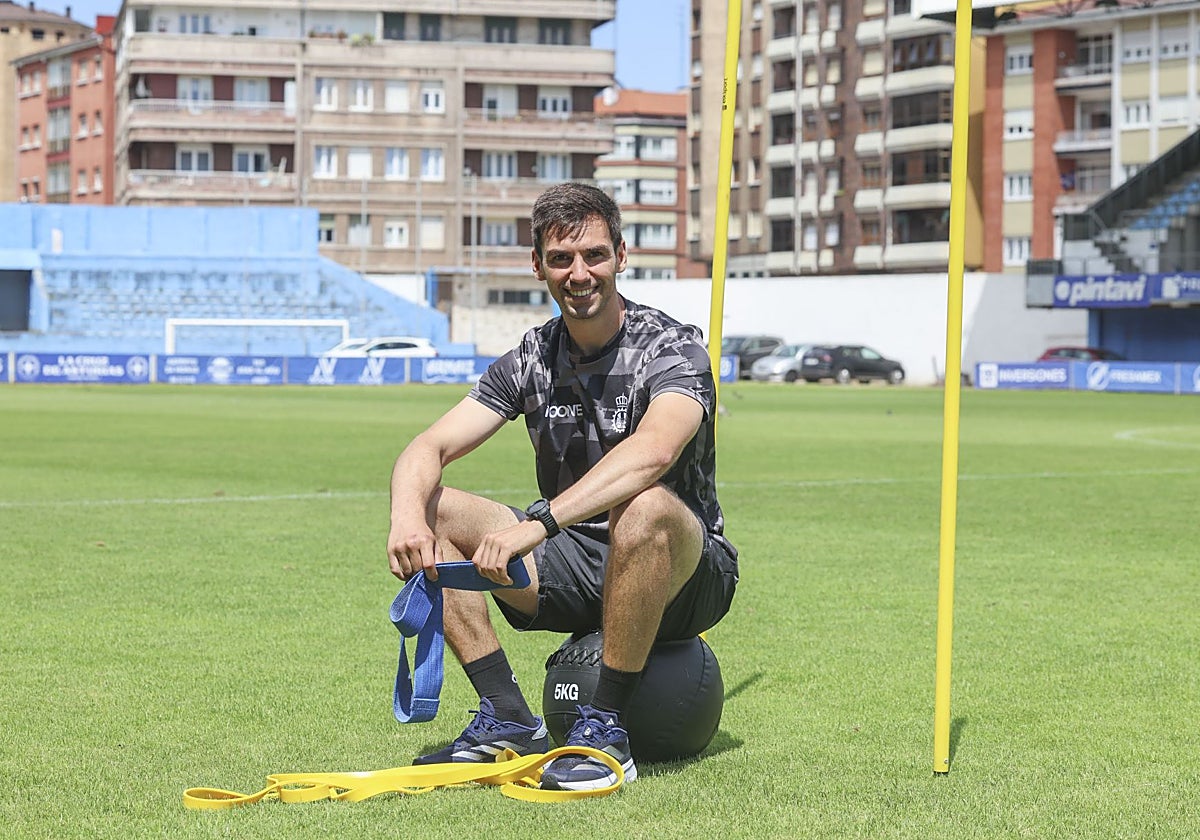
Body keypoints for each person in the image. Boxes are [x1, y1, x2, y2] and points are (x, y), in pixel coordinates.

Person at [386, 182, 738, 792]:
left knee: (647, 506)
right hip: (577, 563)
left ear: (621, 257)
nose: (580, 273)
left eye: (595, 255)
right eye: (561, 259)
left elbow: (653, 452)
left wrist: (540, 522)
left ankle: (604, 727)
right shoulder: (534, 357)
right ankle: (506, 716)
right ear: (539, 267)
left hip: (686, 573)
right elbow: (428, 447)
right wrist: (406, 518)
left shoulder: (672, 346)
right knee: (435, 506)